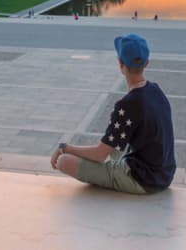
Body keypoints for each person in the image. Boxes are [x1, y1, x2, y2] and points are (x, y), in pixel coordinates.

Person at [51, 33, 176, 194]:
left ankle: (110, 175)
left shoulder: (128, 104)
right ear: (146, 63)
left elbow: (99, 155)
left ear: (120, 63)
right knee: (114, 146)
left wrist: (65, 148)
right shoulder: (156, 90)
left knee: (64, 161)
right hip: (164, 175)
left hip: (142, 180)